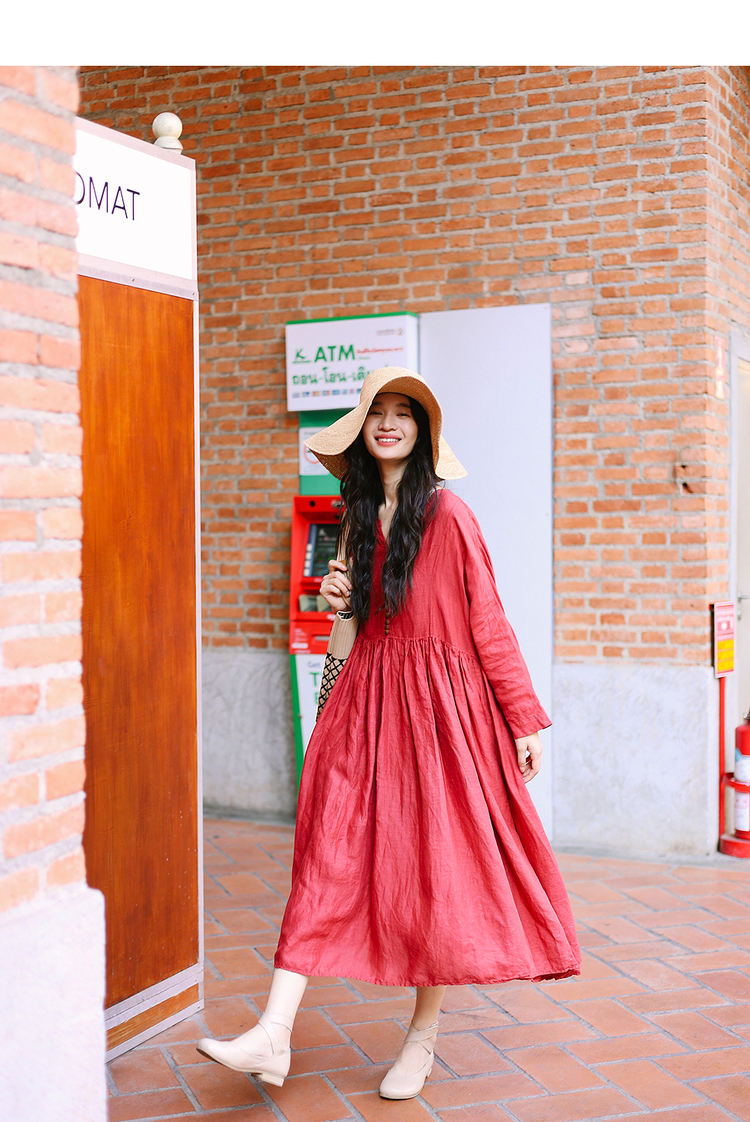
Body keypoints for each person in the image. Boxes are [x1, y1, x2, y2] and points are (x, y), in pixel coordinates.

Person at [197, 367, 580, 1099]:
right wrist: (337, 600)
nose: (390, 423)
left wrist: (523, 717)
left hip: (440, 717)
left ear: (422, 432)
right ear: (363, 428)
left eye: (405, 412)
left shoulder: (451, 516)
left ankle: (422, 1038)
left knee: (434, 869)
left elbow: (489, 621)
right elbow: (348, 634)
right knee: (325, 852)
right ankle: (274, 1033)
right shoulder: (355, 519)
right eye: (379, 410)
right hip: (366, 707)